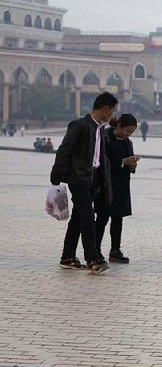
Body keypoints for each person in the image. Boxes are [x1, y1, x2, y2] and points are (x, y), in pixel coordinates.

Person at [50, 91, 117, 274]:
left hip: (92, 179)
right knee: (88, 218)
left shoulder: (98, 128)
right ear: (104, 108)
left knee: (79, 218)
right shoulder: (80, 125)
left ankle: (68, 256)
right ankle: (93, 259)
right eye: (111, 111)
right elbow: (64, 150)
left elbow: (99, 157)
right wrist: (56, 176)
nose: (111, 114)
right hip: (79, 179)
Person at [95, 114, 139, 264]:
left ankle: (115, 250)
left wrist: (132, 164)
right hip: (106, 185)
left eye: (131, 132)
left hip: (121, 185)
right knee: (102, 218)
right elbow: (101, 161)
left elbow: (129, 161)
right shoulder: (105, 138)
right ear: (119, 126)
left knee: (118, 218)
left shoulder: (128, 142)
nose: (129, 134)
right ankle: (95, 251)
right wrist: (122, 162)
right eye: (128, 131)